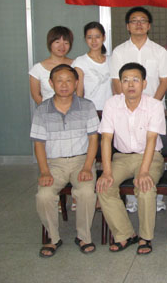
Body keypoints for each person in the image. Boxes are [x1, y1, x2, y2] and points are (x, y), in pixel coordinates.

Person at [97, 63, 166, 255]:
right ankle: (125, 234)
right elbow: (106, 139)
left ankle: (145, 237)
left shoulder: (154, 105)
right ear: (119, 84)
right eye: (125, 80)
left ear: (144, 83)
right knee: (104, 187)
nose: (130, 84)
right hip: (121, 157)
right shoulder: (111, 104)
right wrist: (106, 171)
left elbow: (151, 140)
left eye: (135, 80)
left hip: (150, 157)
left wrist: (144, 171)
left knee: (145, 187)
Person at [31, 64, 99, 258]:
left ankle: (84, 237)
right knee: (44, 195)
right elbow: (39, 144)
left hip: (81, 161)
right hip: (54, 164)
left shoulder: (87, 106)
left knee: (86, 192)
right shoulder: (42, 110)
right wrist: (44, 171)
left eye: (69, 80)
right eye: (59, 80)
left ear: (76, 83)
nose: (64, 85)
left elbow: (94, 139)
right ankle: (53, 238)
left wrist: (87, 166)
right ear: (51, 83)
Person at [109, 6, 167, 213]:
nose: (138, 24)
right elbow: (116, 82)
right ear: (128, 26)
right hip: (125, 109)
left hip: (152, 109)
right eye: (134, 21)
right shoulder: (119, 52)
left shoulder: (159, 51)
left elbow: (164, 81)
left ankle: (156, 197)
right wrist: (130, 105)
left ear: (149, 25)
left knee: (153, 150)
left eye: (143, 20)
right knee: (129, 149)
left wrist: (150, 105)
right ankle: (131, 199)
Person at [29, 26, 74, 105]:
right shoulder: (37, 69)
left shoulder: (76, 65)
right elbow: (35, 95)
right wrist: (47, 109)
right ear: (50, 43)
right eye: (57, 42)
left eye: (66, 43)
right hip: (48, 110)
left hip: (74, 110)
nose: (62, 46)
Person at [73, 21, 112, 111]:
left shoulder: (111, 60)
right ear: (85, 39)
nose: (94, 41)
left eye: (97, 37)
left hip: (110, 110)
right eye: (89, 37)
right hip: (89, 111)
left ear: (104, 37)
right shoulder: (80, 62)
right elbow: (79, 93)